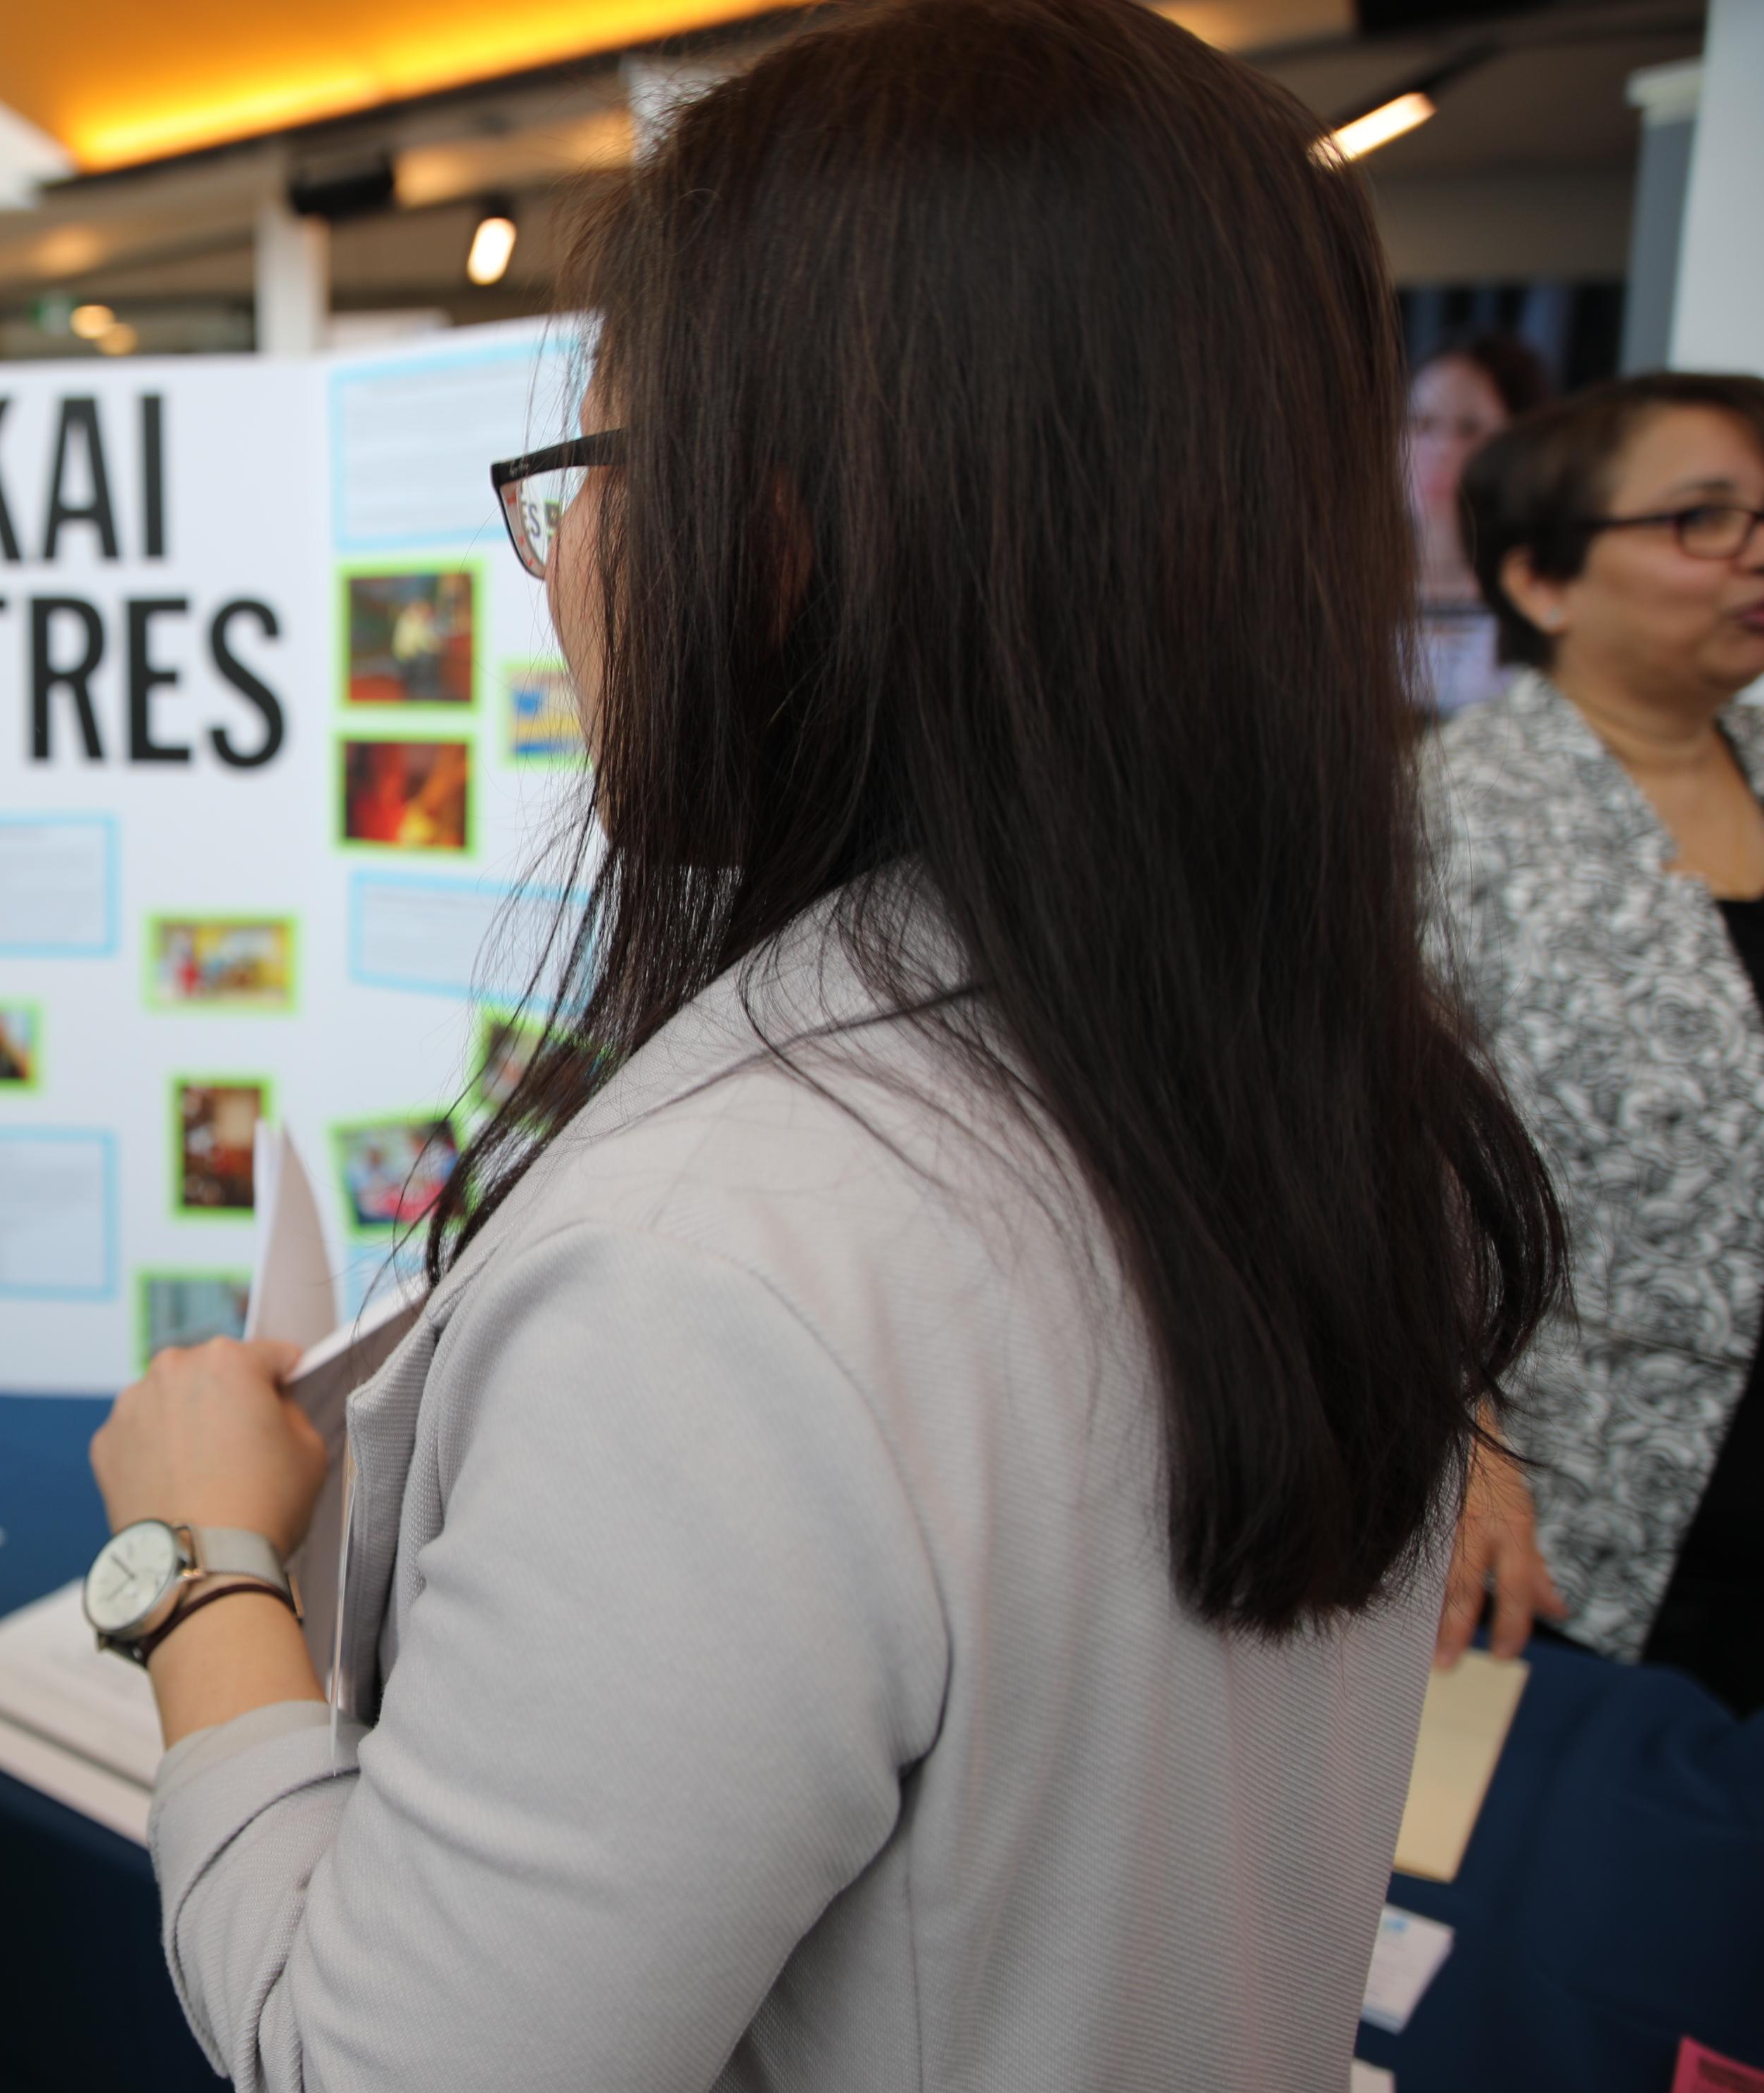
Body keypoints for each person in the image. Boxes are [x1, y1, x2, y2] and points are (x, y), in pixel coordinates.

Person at [80, 1, 1562, 2085]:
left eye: (595, 469)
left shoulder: (723, 1265)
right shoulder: (1317, 1070)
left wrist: (197, 1567)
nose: (565, 566)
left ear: (784, 529)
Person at [1427, 372, 1764, 1711]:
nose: (1758, 546)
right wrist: (1457, 1450)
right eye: (1700, 517)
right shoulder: (1450, 819)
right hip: (1577, 1557)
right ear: (1541, 580)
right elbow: (1352, 1182)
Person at [1409, 333, 1554, 717]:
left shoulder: (1548, 595)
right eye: (1421, 424)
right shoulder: (1341, 588)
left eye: (1470, 428)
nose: (1441, 449)